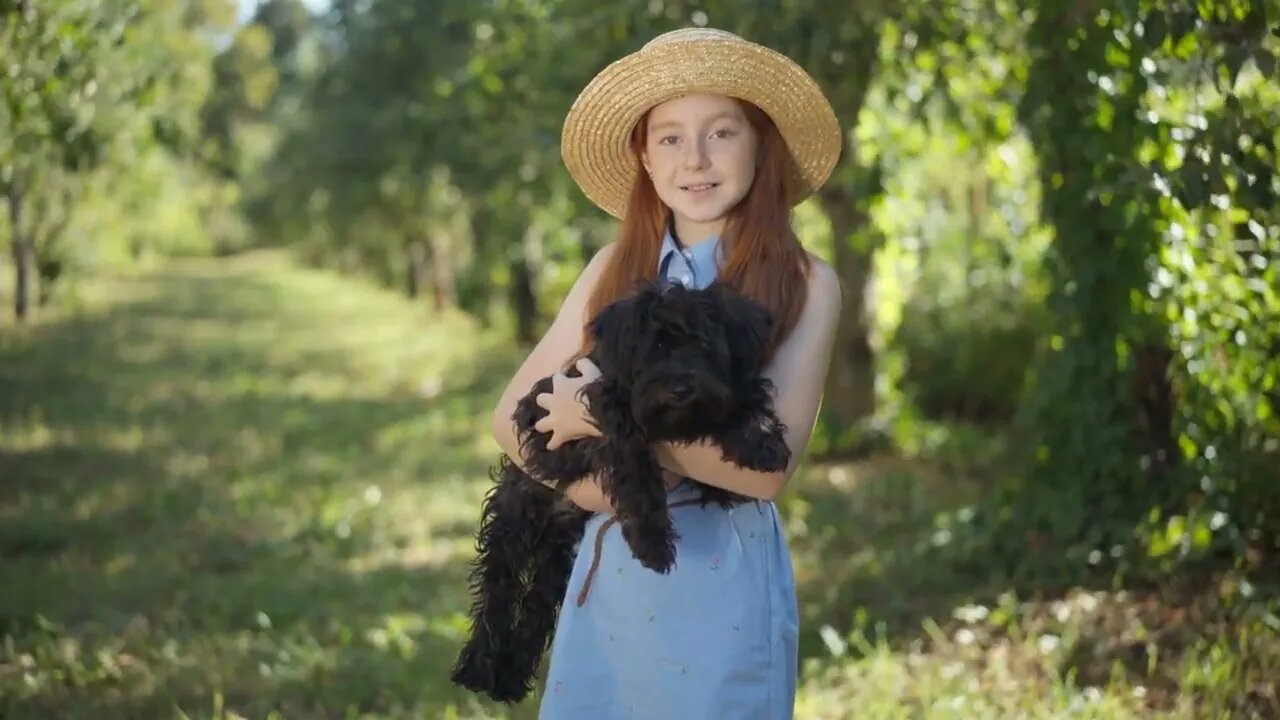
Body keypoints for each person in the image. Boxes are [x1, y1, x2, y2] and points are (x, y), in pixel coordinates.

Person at [488, 27, 843, 719]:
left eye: (722, 133)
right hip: (612, 573)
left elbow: (767, 470)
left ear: (760, 145)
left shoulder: (804, 281)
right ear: (645, 159)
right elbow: (511, 418)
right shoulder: (611, 273)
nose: (697, 159)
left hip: (723, 587)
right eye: (671, 138)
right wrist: (612, 496)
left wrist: (602, 418)